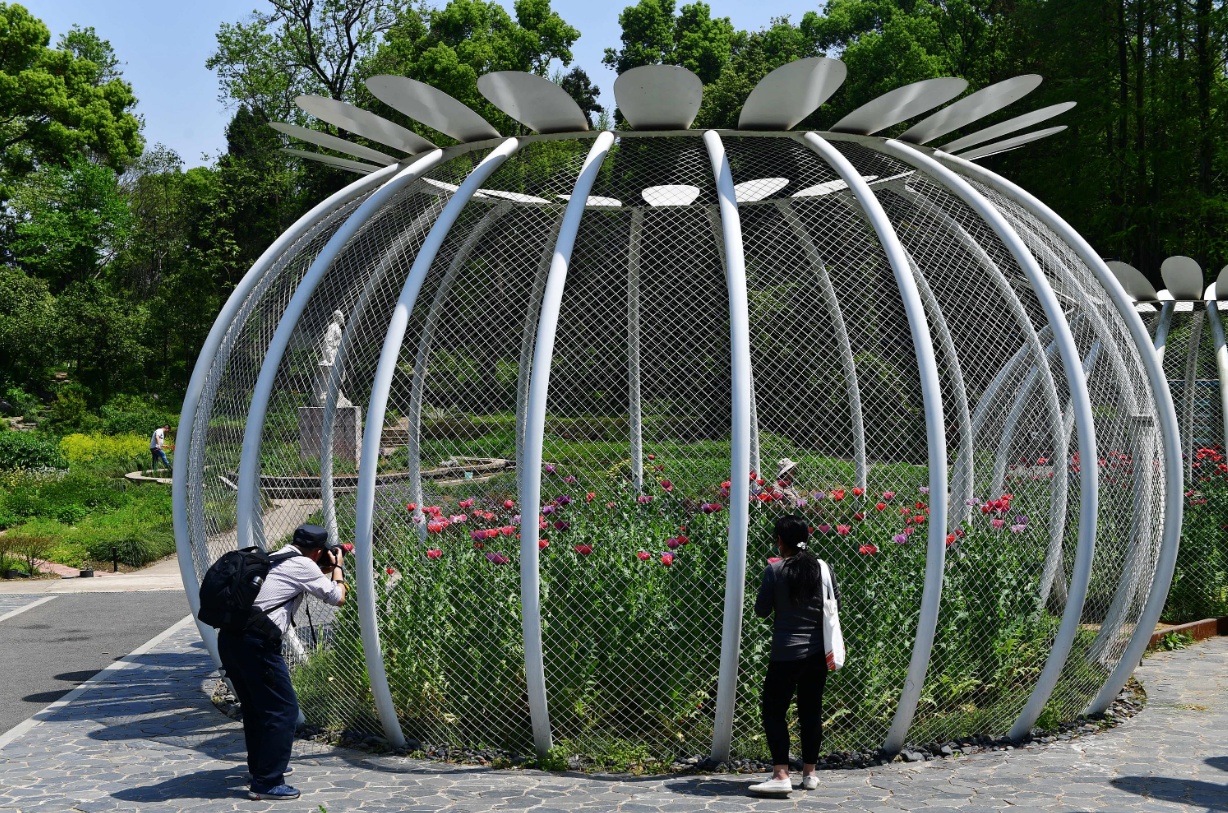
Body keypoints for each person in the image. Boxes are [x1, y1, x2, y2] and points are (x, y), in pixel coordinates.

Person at [217, 524, 348, 801]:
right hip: (257, 644)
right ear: (318, 551)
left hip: (231, 639)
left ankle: (262, 769)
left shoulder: (275, 557)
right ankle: (267, 782)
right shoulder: (304, 565)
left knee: (256, 709)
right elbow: (337, 597)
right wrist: (338, 567)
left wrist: (322, 567)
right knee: (284, 711)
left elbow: (291, 582)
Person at [749, 515, 840, 796]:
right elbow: (835, 602)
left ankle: (780, 775)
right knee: (811, 711)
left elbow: (761, 610)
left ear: (779, 541)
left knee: (774, 711)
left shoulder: (775, 571)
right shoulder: (823, 568)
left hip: (785, 654)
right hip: (818, 655)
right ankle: (810, 774)